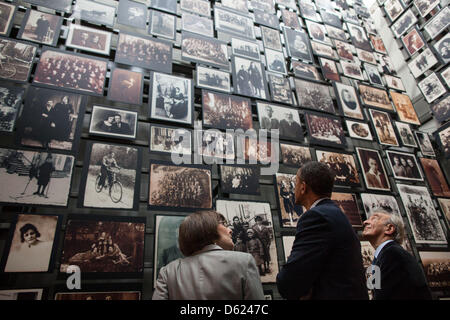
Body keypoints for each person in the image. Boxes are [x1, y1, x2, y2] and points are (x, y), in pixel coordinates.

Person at [276, 162, 368, 299]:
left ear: (303, 187)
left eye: (296, 183)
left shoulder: (316, 217)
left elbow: (289, 281)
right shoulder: (335, 214)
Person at [152, 210, 264, 300]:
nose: (229, 230)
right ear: (207, 230)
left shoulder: (168, 271)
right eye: (223, 224)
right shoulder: (244, 262)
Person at [362, 210, 432, 299]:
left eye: (374, 218)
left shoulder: (393, 254)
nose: (365, 222)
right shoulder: (387, 254)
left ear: (389, 229)